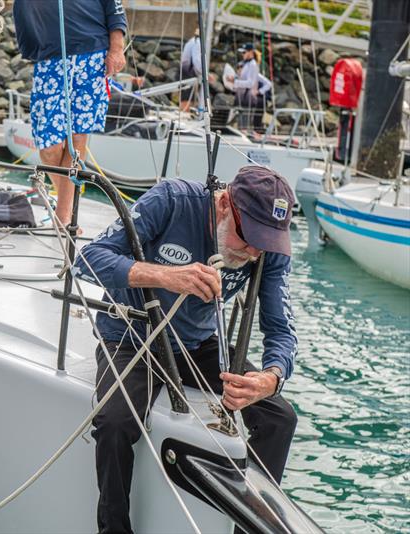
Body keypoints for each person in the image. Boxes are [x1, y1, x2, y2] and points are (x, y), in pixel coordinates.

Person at [74, 167, 298, 533]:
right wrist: (163, 276)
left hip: (197, 345)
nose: (255, 251)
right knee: (114, 422)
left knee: (279, 418)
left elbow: (280, 327)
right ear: (225, 204)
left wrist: (271, 377)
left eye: (266, 241)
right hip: (131, 337)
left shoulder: (267, 249)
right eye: (249, 237)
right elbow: (88, 260)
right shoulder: (172, 201)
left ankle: (249, 526)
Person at [13, 0, 127, 227]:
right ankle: (69, 194)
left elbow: (113, 5)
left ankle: (64, 215)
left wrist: (117, 48)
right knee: (49, 146)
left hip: (92, 52)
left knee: (77, 138)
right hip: (48, 54)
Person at [226, 43, 261, 130]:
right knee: (239, 120)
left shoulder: (253, 65)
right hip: (240, 95)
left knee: (244, 123)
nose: (242, 54)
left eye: (244, 52)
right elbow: (242, 77)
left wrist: (235, 81)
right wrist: (233, 78)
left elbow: (250, 83)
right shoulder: (244, 64)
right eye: (242, 53)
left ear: (251, 52)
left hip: (247, 97)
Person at [179, 28, 203, 112]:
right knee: (187, 99)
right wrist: (205, 74)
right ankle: (184, 116)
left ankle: (184, 113)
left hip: (184, 72)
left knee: (186, 99)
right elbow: (196, 61)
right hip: (188, 74)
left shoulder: (192, 41)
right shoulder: (198, 43)